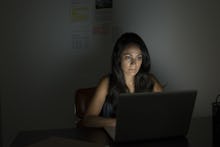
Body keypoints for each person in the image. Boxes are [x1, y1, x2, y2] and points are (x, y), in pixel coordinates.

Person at [79, 32, 163, 127]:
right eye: (128, 57)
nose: (134, 63)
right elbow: (88, 120)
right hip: (114, 137)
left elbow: (165, 112)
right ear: (118, 59)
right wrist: (118, 122)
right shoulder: (107, 82)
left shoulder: (151, 80)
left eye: (139, 57)